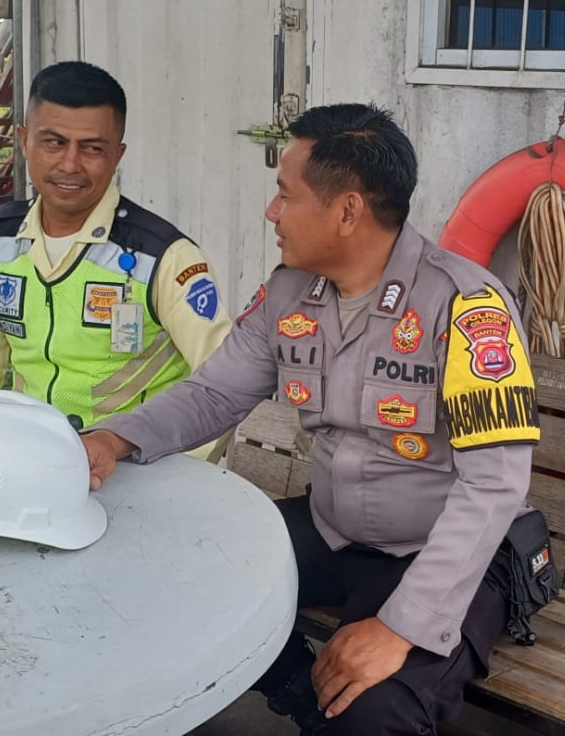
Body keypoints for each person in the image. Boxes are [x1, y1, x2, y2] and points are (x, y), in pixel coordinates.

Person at [81, 104, 539, 734]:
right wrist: (114, 437)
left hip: (442, 550)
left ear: (348, 211)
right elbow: (214, 395)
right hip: (333, 531)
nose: (272, 212)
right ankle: (300, 692)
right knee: (166, 576)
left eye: (285, 194)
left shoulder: (467, 308)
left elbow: (494, 485)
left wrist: (399, 628)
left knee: (374, 709)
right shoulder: (290, 292)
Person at [0, 61, 231, 462]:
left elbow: (224, 385)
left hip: (136, 468)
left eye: (92, 148)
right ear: (24, 141)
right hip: (32, 461)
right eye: (53, 142)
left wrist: (178, 475)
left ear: (117, 155)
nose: (70, 164)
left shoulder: (163, 257)